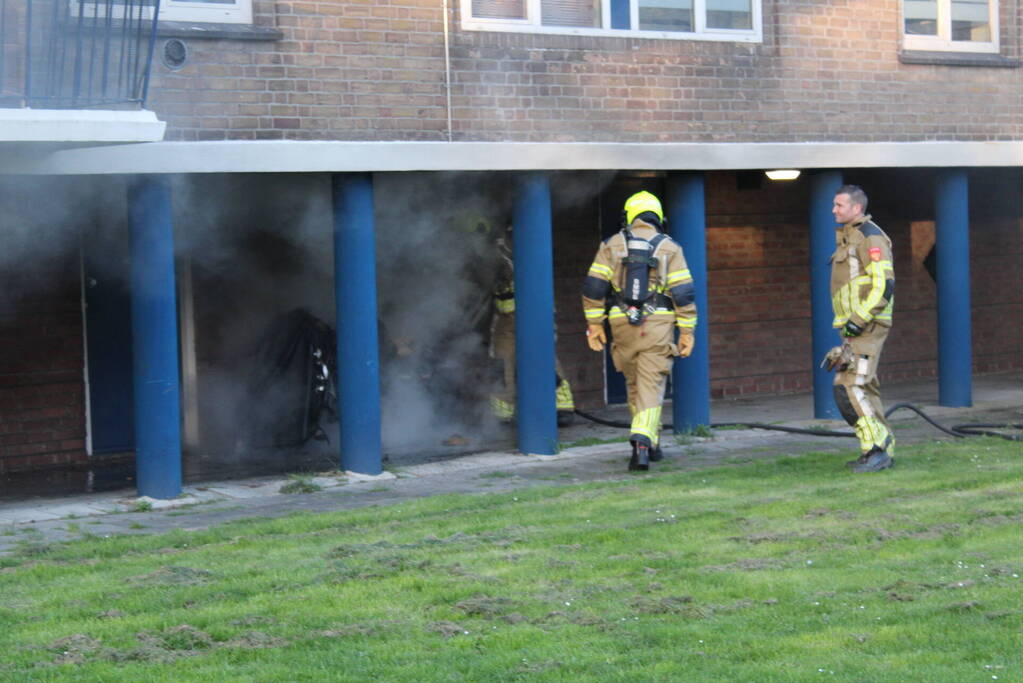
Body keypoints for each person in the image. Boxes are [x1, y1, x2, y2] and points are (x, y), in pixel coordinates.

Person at [581, 191, 697, 470]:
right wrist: (687, 331)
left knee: (635, 384)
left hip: (621, 323)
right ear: (659, 217)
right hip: (657, 324)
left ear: (628, 217)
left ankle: (652, 443)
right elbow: (683, 293)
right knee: (651, 384)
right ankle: (642, 442)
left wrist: (595, 324)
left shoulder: (611, 244)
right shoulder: (670, 247)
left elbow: (594, 288)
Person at [824, 185, 895, 473]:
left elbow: (884, 284)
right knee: (864, 385)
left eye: (839, 205)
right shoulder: (850, 236)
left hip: (866, 324)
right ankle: (881, 449)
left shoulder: (870, 237)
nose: (833, 210)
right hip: (854, 327)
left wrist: (859, 319)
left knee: (849, 384)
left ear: (856, 208)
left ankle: (875, 449)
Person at [483, 218, 576, 426]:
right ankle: (503, 412)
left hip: (534, 315)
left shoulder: (529, 253)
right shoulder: (496, 257)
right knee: (502, 364)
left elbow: (511, 272)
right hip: (504, 320)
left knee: (546, 360)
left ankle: (562, 407)